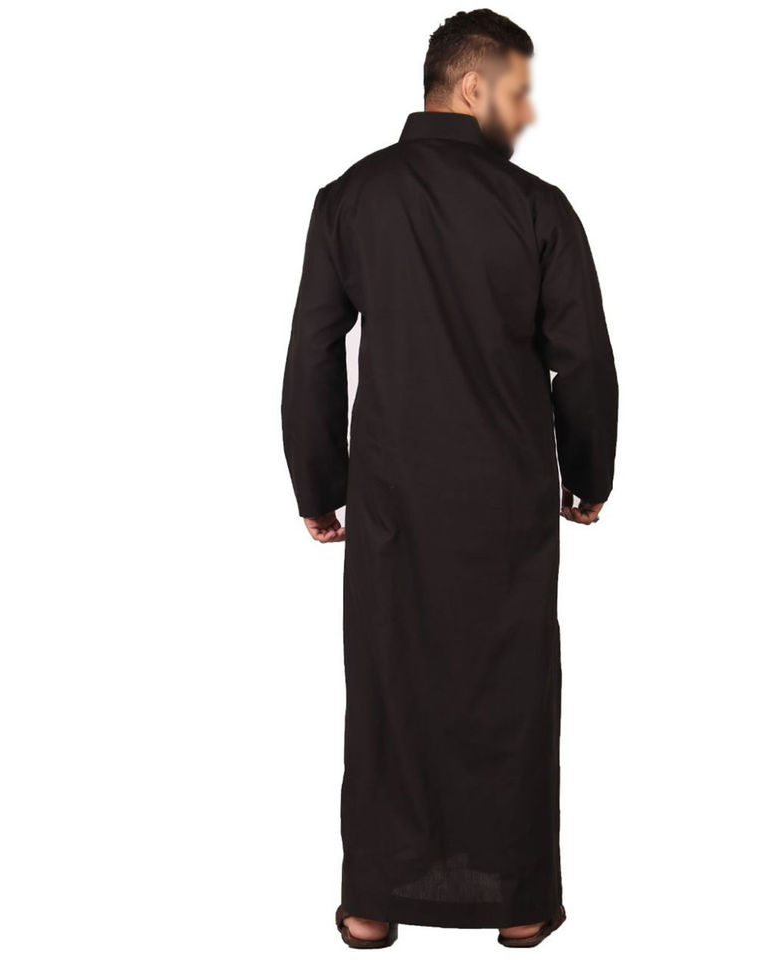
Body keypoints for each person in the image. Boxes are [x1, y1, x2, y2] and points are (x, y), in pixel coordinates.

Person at [282, 9, 618, 949]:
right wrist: (589, 474)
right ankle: (519, 900)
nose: (529, 111)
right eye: (519, 91)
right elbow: (584, 360)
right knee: (510, 695)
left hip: (392, 503)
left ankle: (371, 901)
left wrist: (318, 484)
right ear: (473, 87)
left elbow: (312, 353)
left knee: (389, 690)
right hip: (508, 503)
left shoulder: (350, 198)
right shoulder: (538, 208)